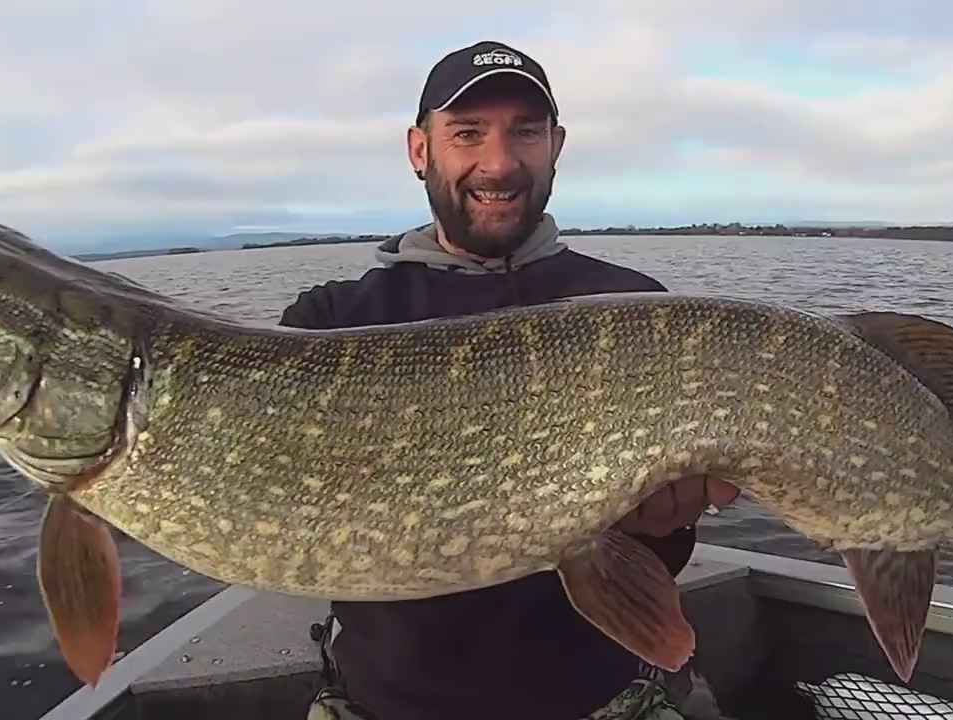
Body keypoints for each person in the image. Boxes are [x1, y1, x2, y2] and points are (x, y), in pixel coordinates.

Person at [284, 40, 745, 720]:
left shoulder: (629, 308)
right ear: (420, 151)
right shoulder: (331, 322)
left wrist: (666, 524)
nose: (498, 164)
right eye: (467, 133)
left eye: (524, 132)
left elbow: (652, 553)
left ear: (555, 145)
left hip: (606, 700)